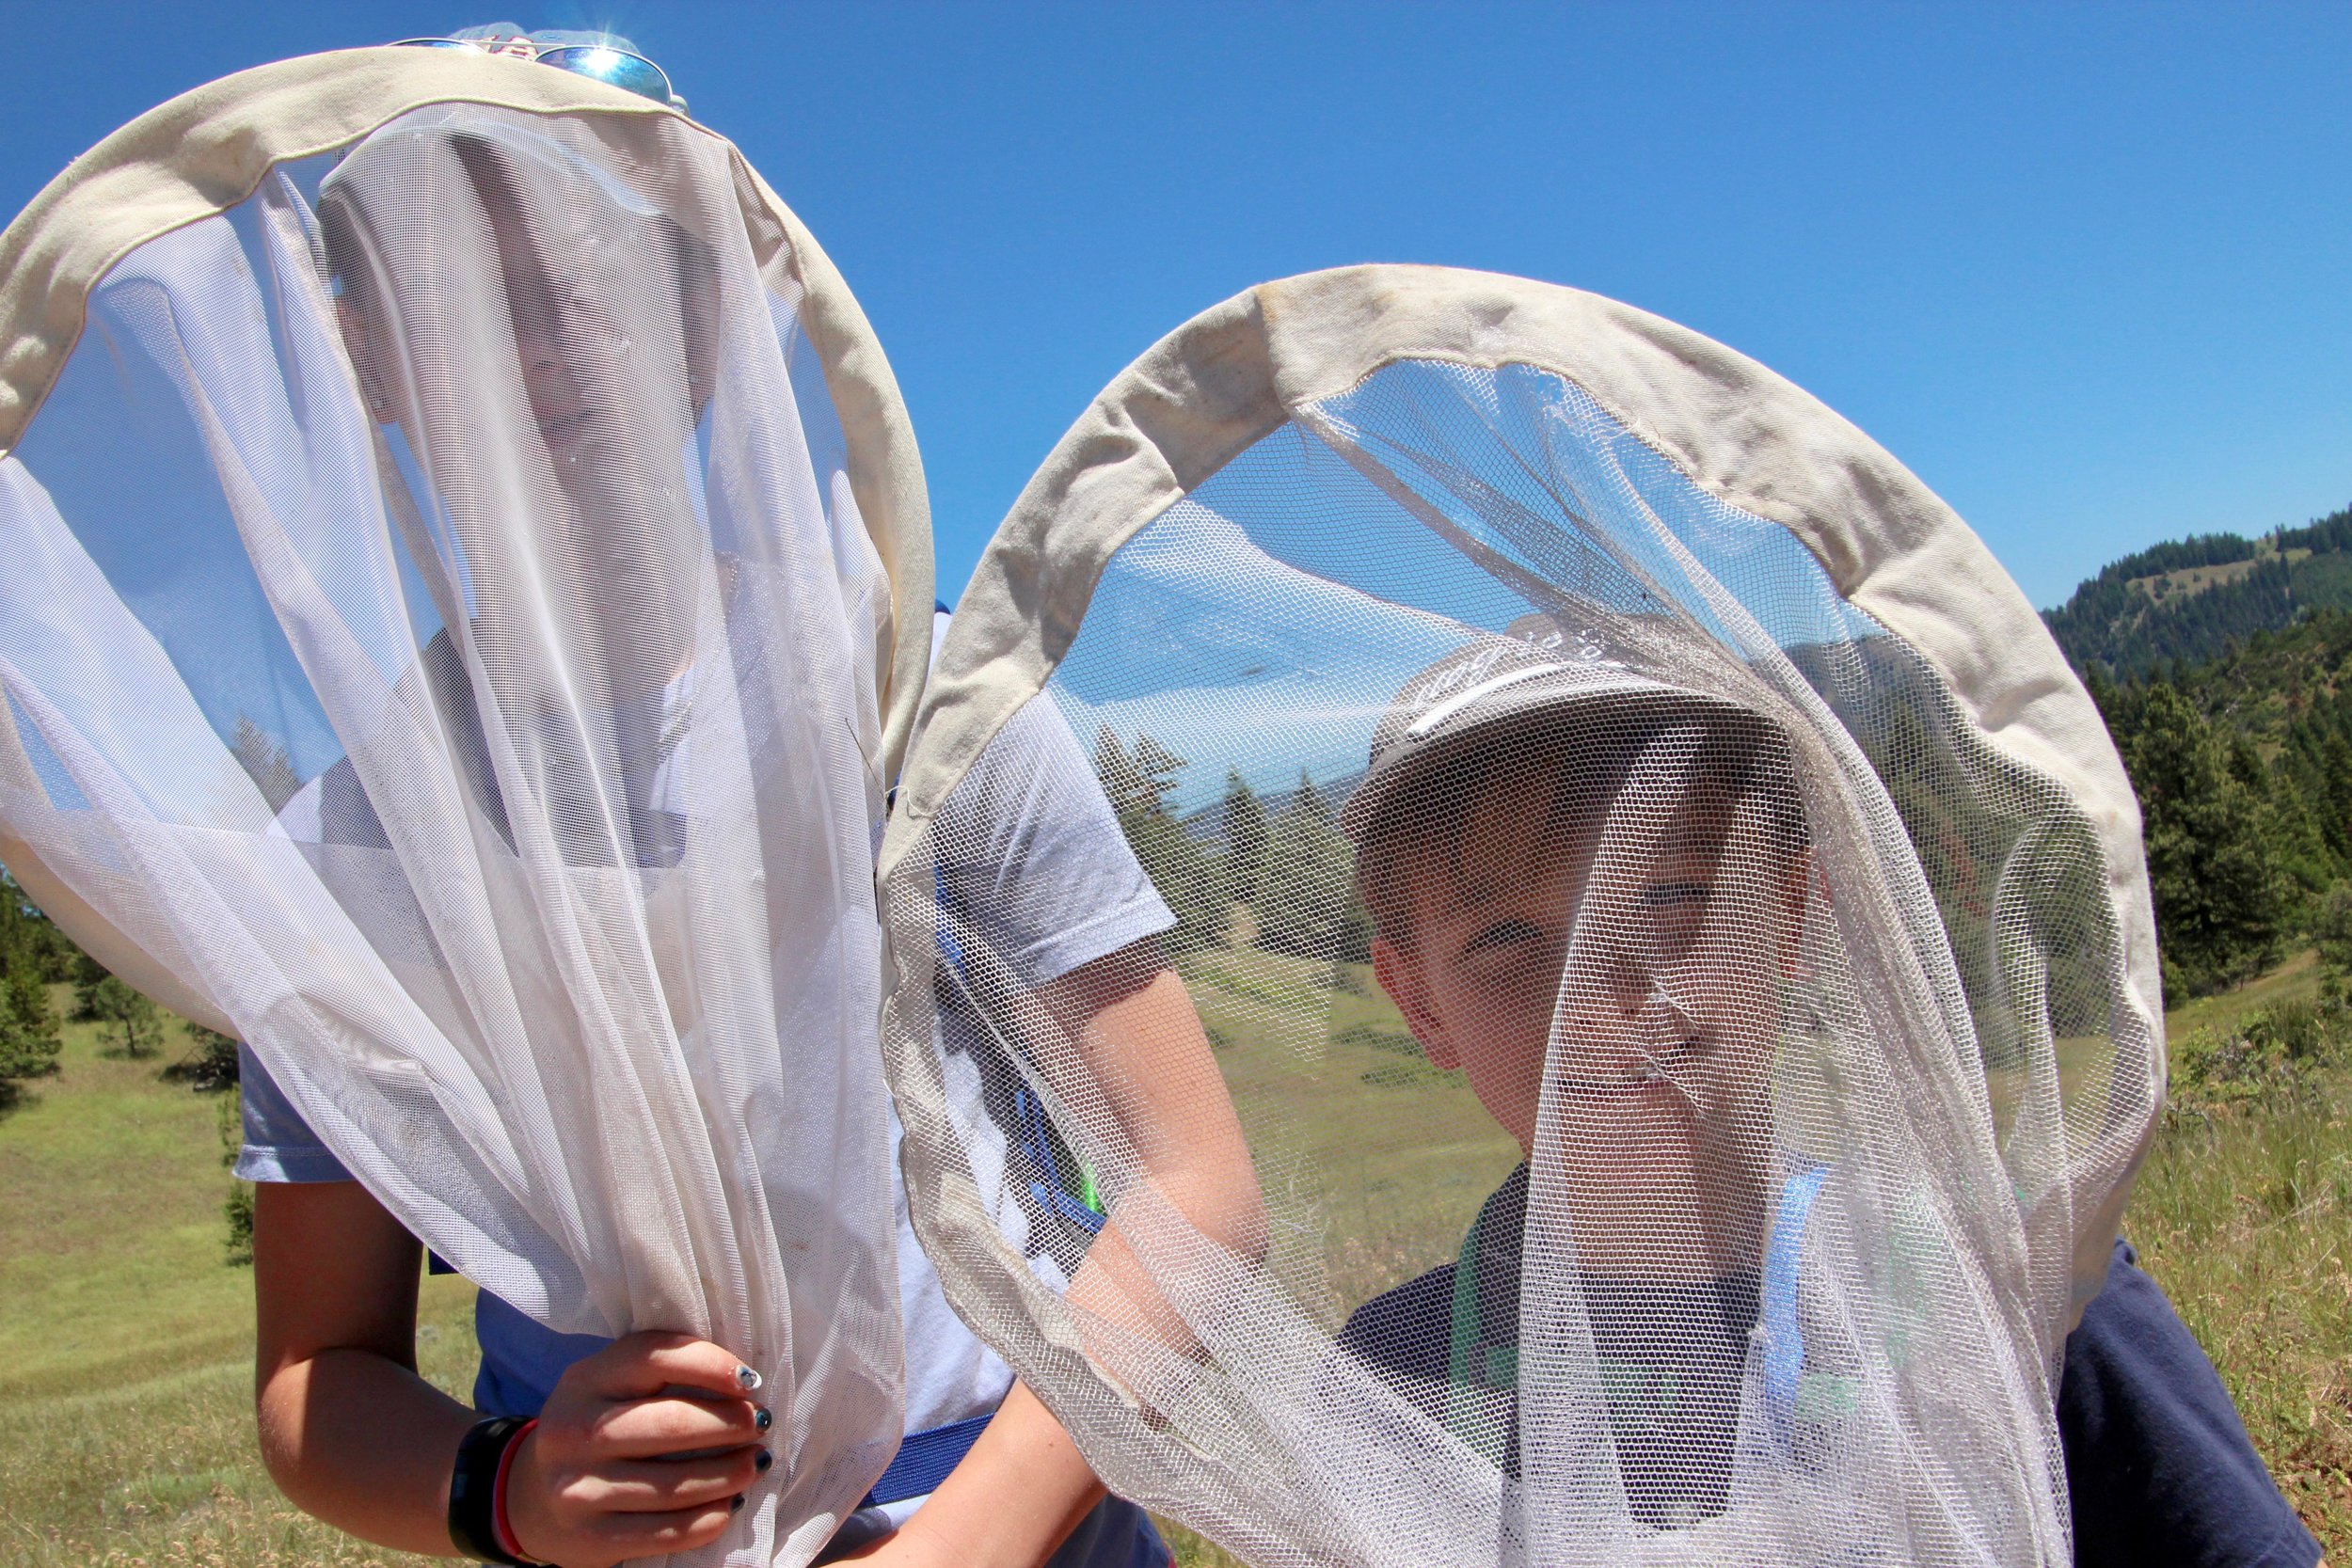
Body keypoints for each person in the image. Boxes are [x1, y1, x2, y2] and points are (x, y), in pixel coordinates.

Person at [237, 25, 1226, 1568]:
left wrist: (972, 1537)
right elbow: (315, 1374)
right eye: (451, 301)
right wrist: (507, 1485)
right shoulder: (339, 852)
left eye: (586, 278)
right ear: (365, 356)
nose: (537, 354)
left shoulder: (917, 703)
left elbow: (1195, 1186)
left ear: (705, 320)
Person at [1332, 616, 2321, 1565]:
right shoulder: (1393, 1374)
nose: (1606, 985)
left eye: (1669, 893)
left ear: (1793, 912)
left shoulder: (2003, 1284)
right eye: (1504, 936)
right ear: (1419, 1002)